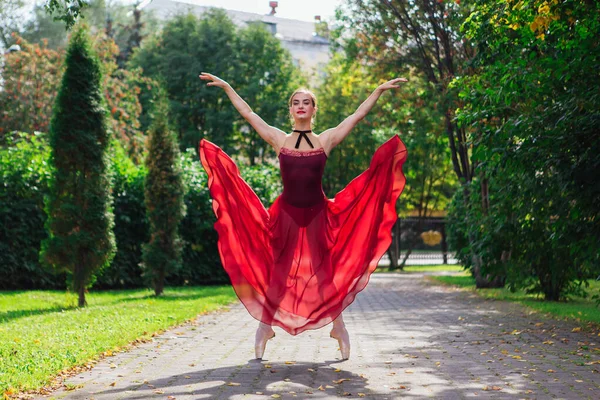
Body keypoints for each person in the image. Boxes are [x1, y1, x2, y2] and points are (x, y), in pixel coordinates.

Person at [198, 72, 408, 360]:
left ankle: (338, 328)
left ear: (313, 109)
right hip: (286, 215)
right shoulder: (279, 139)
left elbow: (356, 115)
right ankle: (264, 328)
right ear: (290, 109)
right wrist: (227, 86)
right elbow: (249, 113)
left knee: (324, 276)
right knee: (279, 274)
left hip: (318, 214)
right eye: (296, 102)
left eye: (306, 102)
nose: (300, 106)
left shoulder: (325, 140)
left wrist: (378, 90)